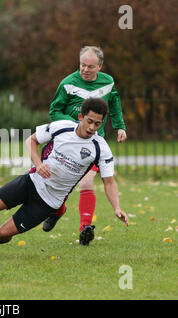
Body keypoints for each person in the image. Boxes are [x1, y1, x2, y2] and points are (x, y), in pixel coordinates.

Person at [0, 98, 129, 248]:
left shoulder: (100, 148)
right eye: (89, 121)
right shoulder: (61, 127)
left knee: (4, 234)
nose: (92, 127)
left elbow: (109, 182)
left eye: (98, 124)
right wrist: (38, 163)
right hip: (32, 181)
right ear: (80, 117)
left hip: (49, 202)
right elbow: (31, 140)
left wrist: (117, 208)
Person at [47, 46, 127, 244]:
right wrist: (76, 126)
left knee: (87, 182)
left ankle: (85, 229)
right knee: (59, 186)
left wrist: (120, 127)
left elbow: (114, 103)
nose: (85, 69)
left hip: (91, 144)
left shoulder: (108, 82)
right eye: (82, 65)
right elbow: (54, 111)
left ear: (99, 67)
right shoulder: (67, 84)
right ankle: (58, 211)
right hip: (66, 144)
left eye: (90, 66)